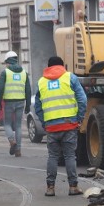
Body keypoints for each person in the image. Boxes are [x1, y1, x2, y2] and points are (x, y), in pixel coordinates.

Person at [35, 56, 87, 197]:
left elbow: (38, 106)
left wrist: (44, 121)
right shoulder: (70, 77)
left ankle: (50, 188)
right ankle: (73, 187)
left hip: (51, 127)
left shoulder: (41, 82)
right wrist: (79, 118)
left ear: (48, 66)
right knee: (70, 155)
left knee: (52, 156)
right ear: (62, 65)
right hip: (69, 124)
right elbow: (82, 99)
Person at [0, 50, 31, 158]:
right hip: (21, 101)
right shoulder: (24, 73)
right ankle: (18, 150)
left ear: (8, 61)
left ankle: (12, 142)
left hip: (9, 102)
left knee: (7, 124)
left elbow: (0, 88)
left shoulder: (5, 73)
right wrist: (28, 105)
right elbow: (28, 90)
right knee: (18, 126)